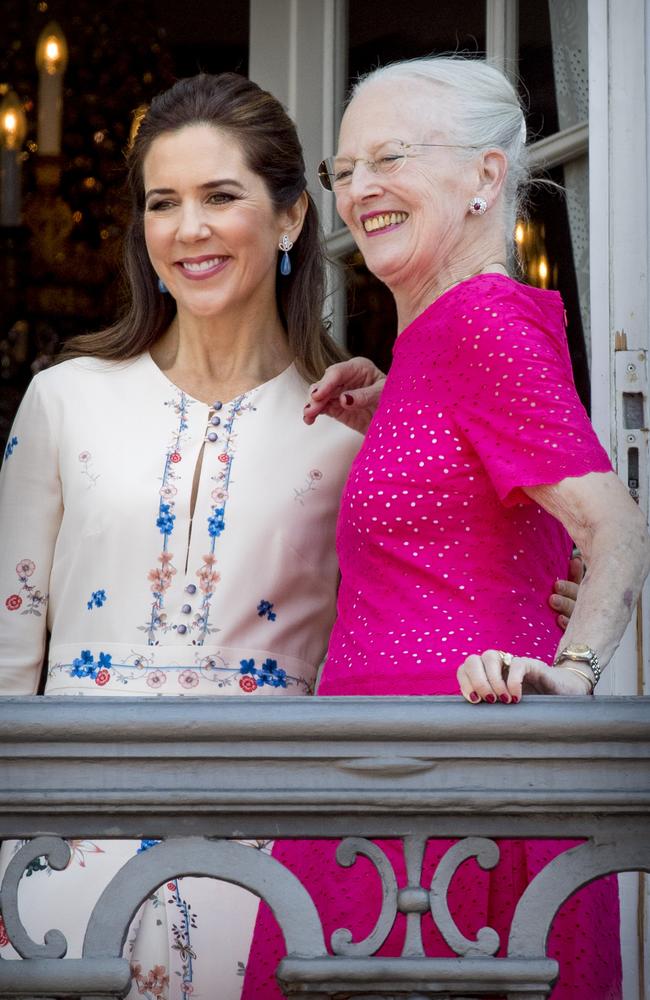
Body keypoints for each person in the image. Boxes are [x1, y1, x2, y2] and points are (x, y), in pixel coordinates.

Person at [242, 57, 650, 1000]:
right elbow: (488, 527)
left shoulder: (482, 327)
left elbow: (618, 529)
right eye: (345, 171)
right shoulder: (440, 337)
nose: (361, 191)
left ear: (485, 177)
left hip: (448, 789)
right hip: (394, 779)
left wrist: (573, 672)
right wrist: (393, 416)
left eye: (392, 157)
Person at [0, 72, 363, 1000]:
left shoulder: (356, 426)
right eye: (163, 203)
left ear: (289, 219)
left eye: (220, 196)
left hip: (273, 855)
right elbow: (7, 637)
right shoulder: (65, 397)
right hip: (56, 847)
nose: (189, 229)